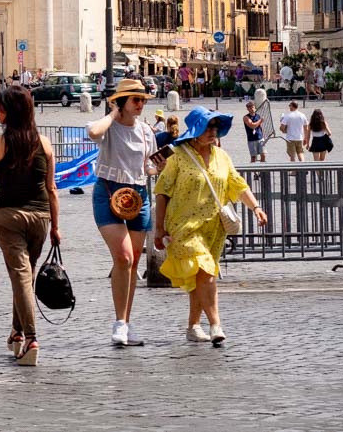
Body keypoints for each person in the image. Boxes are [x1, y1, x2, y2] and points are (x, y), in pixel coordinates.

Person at [153, 106, 268, 344]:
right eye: (208, 127)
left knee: (201, 277)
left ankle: (193, 326)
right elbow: (162, 192)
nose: (212, 131)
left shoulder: (222, 157)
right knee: (206, 272)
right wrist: (159, 228)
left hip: (213, 228)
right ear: (195, 130)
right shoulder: (177, 155)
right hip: (183, 227)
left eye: (215, 126)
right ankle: (216, 324)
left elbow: (238, 185)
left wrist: (256, 207)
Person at [0, 85, 60, 366]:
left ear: (8, 112)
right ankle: (17, 334)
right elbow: (52, 188)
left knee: (21, 276)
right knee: (24, 275)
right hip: (41, 217)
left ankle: (31, 338)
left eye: (0, 108)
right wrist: (56, 226)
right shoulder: (45, 143)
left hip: (8, 216)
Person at [87, 77, 155, 348]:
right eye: (135, 100)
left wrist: (156, 167)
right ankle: (118, 322)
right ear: (121, 103)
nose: (140, 104)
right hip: (107, 191)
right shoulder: (109, 127)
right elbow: (93, 132)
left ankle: (126, 321)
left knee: (135, 261)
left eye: (142, 100)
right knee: (124, 257)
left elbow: (147, 166)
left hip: (138, 195)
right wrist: (113, 112)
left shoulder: (146, 131)